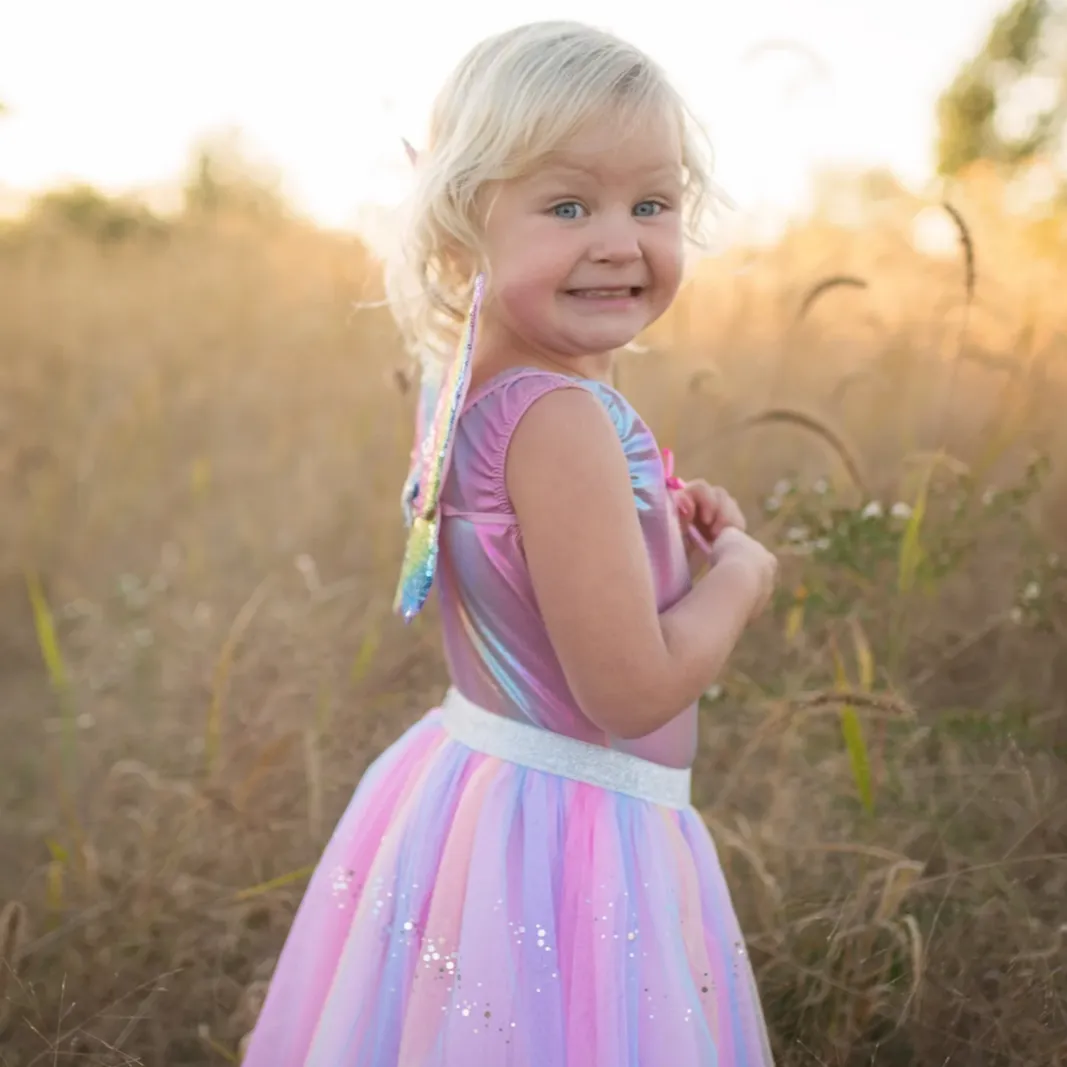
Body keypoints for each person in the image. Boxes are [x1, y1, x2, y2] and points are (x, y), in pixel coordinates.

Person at [241, 19, 778, 1067]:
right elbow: (628, 691)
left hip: (475, 795)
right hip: (574, 840)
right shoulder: (562, 418)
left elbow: (529, 567)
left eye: (651, 203)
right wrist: (743, 575)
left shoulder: (465, 382)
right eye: (568, 204)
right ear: (461, 219)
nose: (620, 239)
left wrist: (654, 528)